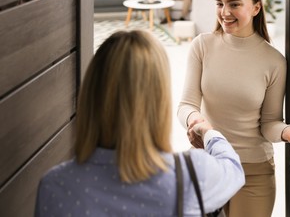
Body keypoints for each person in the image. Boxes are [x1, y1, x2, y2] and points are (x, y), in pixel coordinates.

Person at [34, 30, 245, 216]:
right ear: (158, 99)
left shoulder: (56, 186)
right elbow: (234, 169)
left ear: (91, 94)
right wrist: (208, 133)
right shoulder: (193, 174)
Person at [177, 0, 290, 217]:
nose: (225, 12)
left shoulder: (274, 61)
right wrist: (196, 123)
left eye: (234, 4)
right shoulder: (202, 45)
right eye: (220, 4)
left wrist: (286, 131)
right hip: (207, 165)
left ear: (256, 7)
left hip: (252, 173)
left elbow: (268, 124)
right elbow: (186, 105)